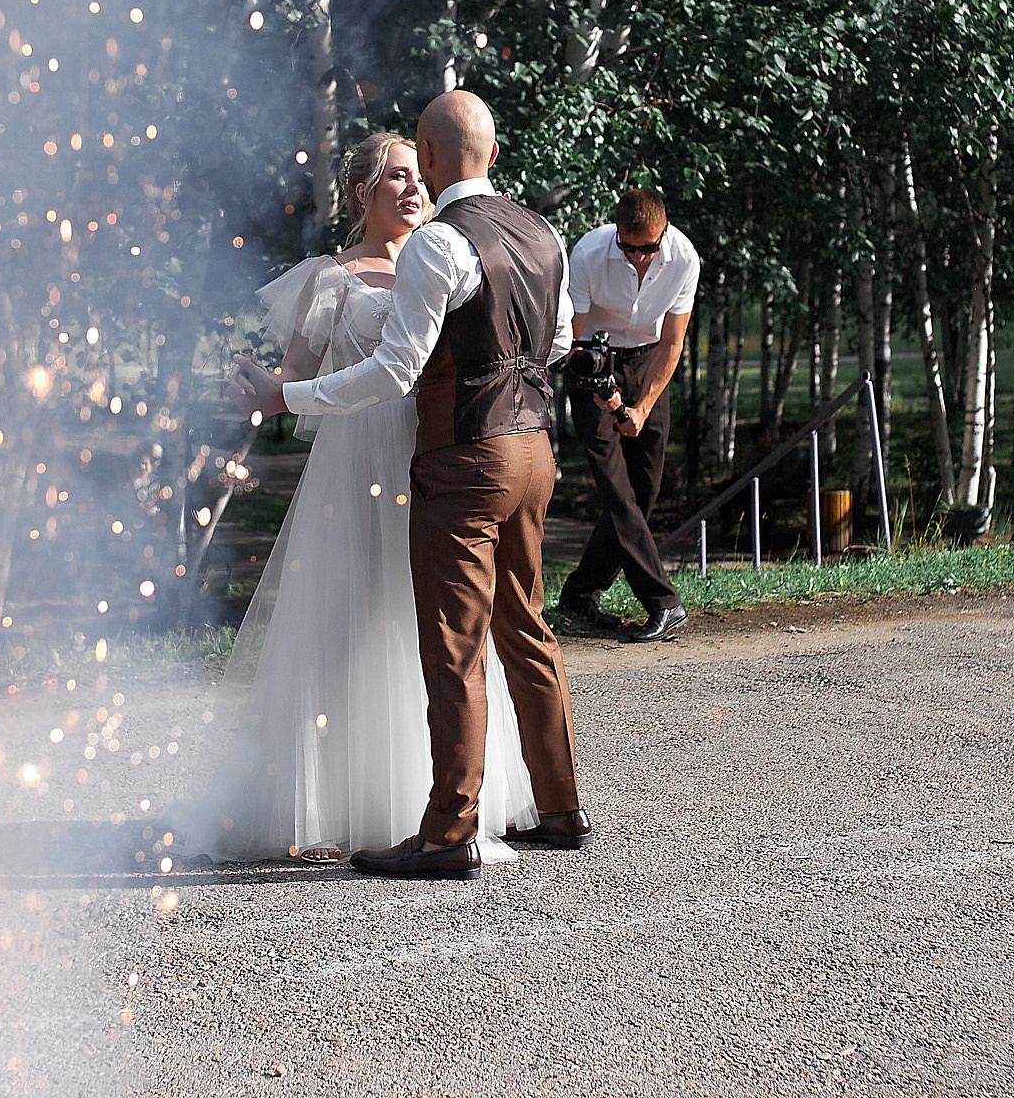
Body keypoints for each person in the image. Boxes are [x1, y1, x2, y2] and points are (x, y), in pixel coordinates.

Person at [230, 92, 592, 879]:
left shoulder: (439, 246)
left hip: (461, 458)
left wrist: (283, 397)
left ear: (431, 159)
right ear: (493, 155)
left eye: (413, 166)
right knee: (525, 626)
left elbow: (398, 369)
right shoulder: (541, 231)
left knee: (455, 647)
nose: (409, 186)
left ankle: (447, 833)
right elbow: (559, 337)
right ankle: (562, 808)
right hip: (531, 448)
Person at [556, 188, 700, 645]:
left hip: (648, 363)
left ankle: (580, 593)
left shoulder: (684, 259)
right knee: (617, 491)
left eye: (648, 248)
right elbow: (571, 335)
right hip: (592, 362)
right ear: (617, 233)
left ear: (665, 231)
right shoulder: (589, 252)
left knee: (644, 490)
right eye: (629, 247)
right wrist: (597, 385)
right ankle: (663, 603)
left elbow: (672, 343)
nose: (638, 257)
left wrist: (640, 407)